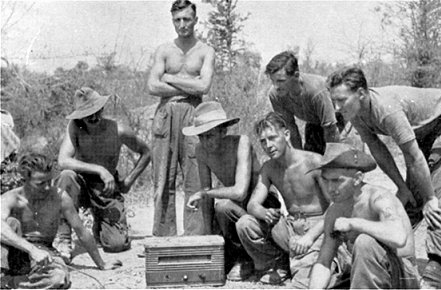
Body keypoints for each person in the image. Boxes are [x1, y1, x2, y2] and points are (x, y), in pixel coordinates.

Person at [326, 66, 441, 288]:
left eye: (341, 100)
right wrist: (402, 187)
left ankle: (438, 262)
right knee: (410, 198)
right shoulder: (356, 111)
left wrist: (429, 198)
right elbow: (378, 148)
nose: (337, 108)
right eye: (335, 101)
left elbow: (413, 155)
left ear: (361, 93)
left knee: (439, 197)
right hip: (421, 134)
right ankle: (390, 255)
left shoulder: (387, 110)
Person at [236, 112, 338, 287]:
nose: (268, 145)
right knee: (245, 224)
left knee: (307, 281)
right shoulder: (269, 168)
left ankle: (328, 267)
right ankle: (277, 264)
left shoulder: (313, 162)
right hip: (290, 227)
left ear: (287, 134)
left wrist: (310, 237)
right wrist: (263, 212)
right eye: (263, 141)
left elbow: (336, 206)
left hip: (318, 226)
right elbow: (253, 204)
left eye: (272, 138)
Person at [182, 101, 280, 281]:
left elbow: (240, 191)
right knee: (220, 212)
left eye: (209, 135)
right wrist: (209, 237)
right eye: (201, 136)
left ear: (223, 131)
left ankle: (246, 258)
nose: (205, 141)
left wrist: (206, 193)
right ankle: (236, 255)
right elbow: (206, 195)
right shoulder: (201, 150)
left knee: (224, 207)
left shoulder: (241, 142)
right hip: (237, 207)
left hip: (261, 203)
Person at [55, 87, 151, 261]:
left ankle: (100, 223)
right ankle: (64, 238)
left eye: (96, 112)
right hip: (82, 183)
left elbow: (146, 152)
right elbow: (63, 161)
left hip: (106, 188)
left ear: (102, 109)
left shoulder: (118, 130)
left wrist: (128, 181)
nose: (93, 118)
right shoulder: (75, 127)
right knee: (66, 176)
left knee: (116, 244)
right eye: (87, 114)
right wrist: (100, 169)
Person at [1, 153, 122, 289]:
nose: (47, 187)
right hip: (16, 252)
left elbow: (81, 232)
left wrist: (101, 264)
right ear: (25, 180)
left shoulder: (59, 197)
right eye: (41, 183)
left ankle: (11, 283)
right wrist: (31, 249)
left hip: (45, 252)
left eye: (50, 181)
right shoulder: (11, 198)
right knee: (10, 223)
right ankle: (5, 278)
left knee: (58, 278)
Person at [309, 143, 420, 289]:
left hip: (402, 277)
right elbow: (324, 261)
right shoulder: (335, 211)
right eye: (325, 180)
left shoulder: (378, 198)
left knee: (365, 242)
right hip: (369, 275)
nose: (330, 188)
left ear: (357, 178)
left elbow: (399, 237)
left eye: (337, 181)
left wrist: (355, 223)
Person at [147, 0, 215, 236]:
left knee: (195, 175)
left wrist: (170, 78)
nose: (182, 24)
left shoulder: (205, 51)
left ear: (195, 20)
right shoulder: (164, 50)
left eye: (187, 19)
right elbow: (152, 86)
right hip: (166, 114)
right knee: (163, 178)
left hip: (194, 115)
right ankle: (164, 236)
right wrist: (190, 86)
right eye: (177, 20)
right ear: (172, 20)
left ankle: (196, 236)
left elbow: (204, 86)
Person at [265, 51, 340, 154]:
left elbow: (330, 128)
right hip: (314, 124)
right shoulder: (275, 95)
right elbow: (290, 127)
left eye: (281, 81)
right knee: (309, 163)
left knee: (338, 163)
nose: (276, 86)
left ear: (296, 75)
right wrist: (300, 158)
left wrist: (331, 158)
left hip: (338, 123)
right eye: (273, 81)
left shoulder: (316, 91)